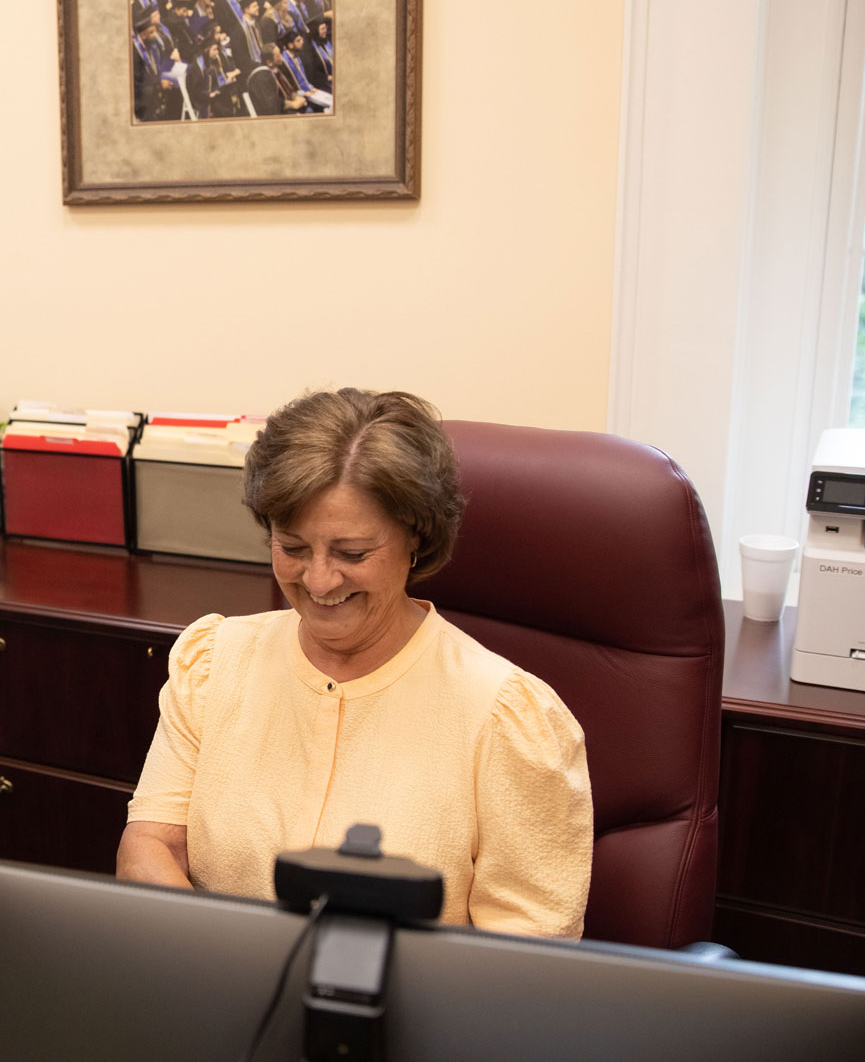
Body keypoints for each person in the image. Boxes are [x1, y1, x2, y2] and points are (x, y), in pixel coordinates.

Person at [117, 389, 593, 937]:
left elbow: (525, 966)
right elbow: (149, 847)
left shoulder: (507, 717)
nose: (318, 581)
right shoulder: (213, 664)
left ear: (416, 537)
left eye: (352, 554)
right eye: (292, 548)